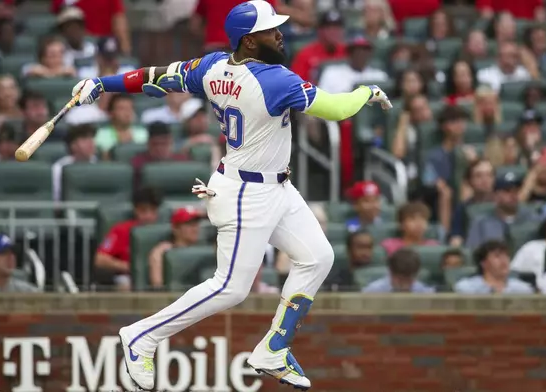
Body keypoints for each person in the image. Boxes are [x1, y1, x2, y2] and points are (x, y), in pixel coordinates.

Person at [70, 1, 392, 390]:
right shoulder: (276, 79)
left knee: (318, 257)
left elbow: (155, 78)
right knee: (230, 288)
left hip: (275, 186)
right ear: (250, 42)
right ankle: (143, 336)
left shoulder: (211, 66)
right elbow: (339, 109)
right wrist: (367, 90)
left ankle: (274, 348)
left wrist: (104, 83)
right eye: (271, 30)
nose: (280, 34)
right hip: (246, 192)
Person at [454, 239, 534, 294]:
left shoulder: (522, 290)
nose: (504, 260)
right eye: (497, 256)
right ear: (484, 263)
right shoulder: (467, 288)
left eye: (506, 256)